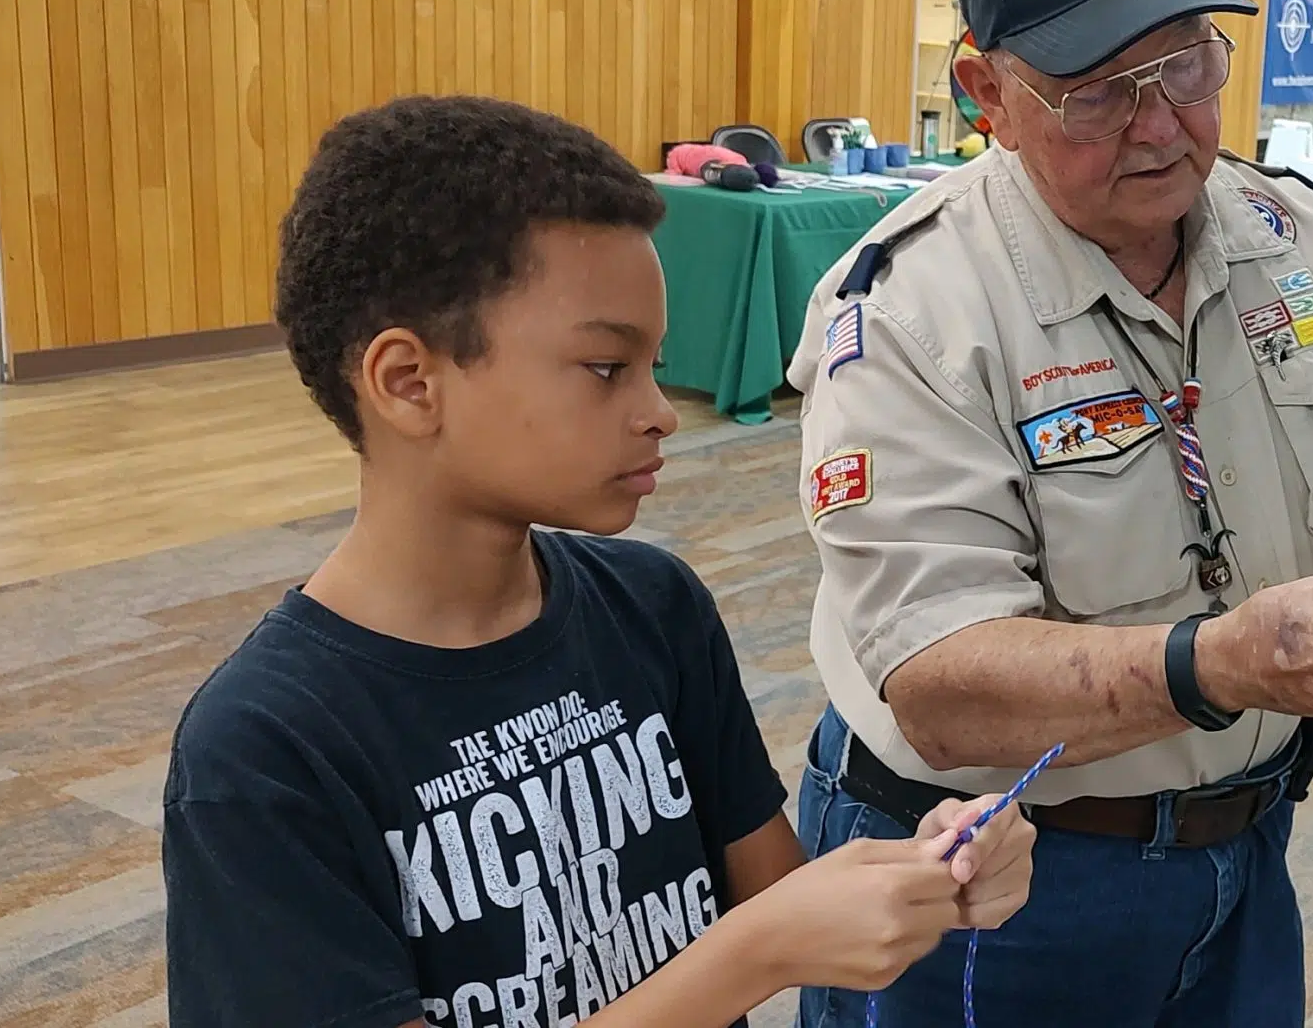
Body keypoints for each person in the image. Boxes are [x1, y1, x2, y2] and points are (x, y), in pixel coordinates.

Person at [783, 0, 1313, 1028]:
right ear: (984, 90)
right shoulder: (910, 313)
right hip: (984, 879)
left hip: (1243, 847)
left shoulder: (1303, 241)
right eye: (1094, 88)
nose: (1158, 124)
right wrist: (1221, 663)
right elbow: (936, 680)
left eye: (1184, 63)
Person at [160, 96, 1036, 1028]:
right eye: (606, 369)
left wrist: (925, 868)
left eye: (655, 365)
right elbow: (763, 935)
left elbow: (770, 884)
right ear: (410, 383)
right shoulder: (262, 751)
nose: (659, 411)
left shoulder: (653, 607)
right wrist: (758, 950)